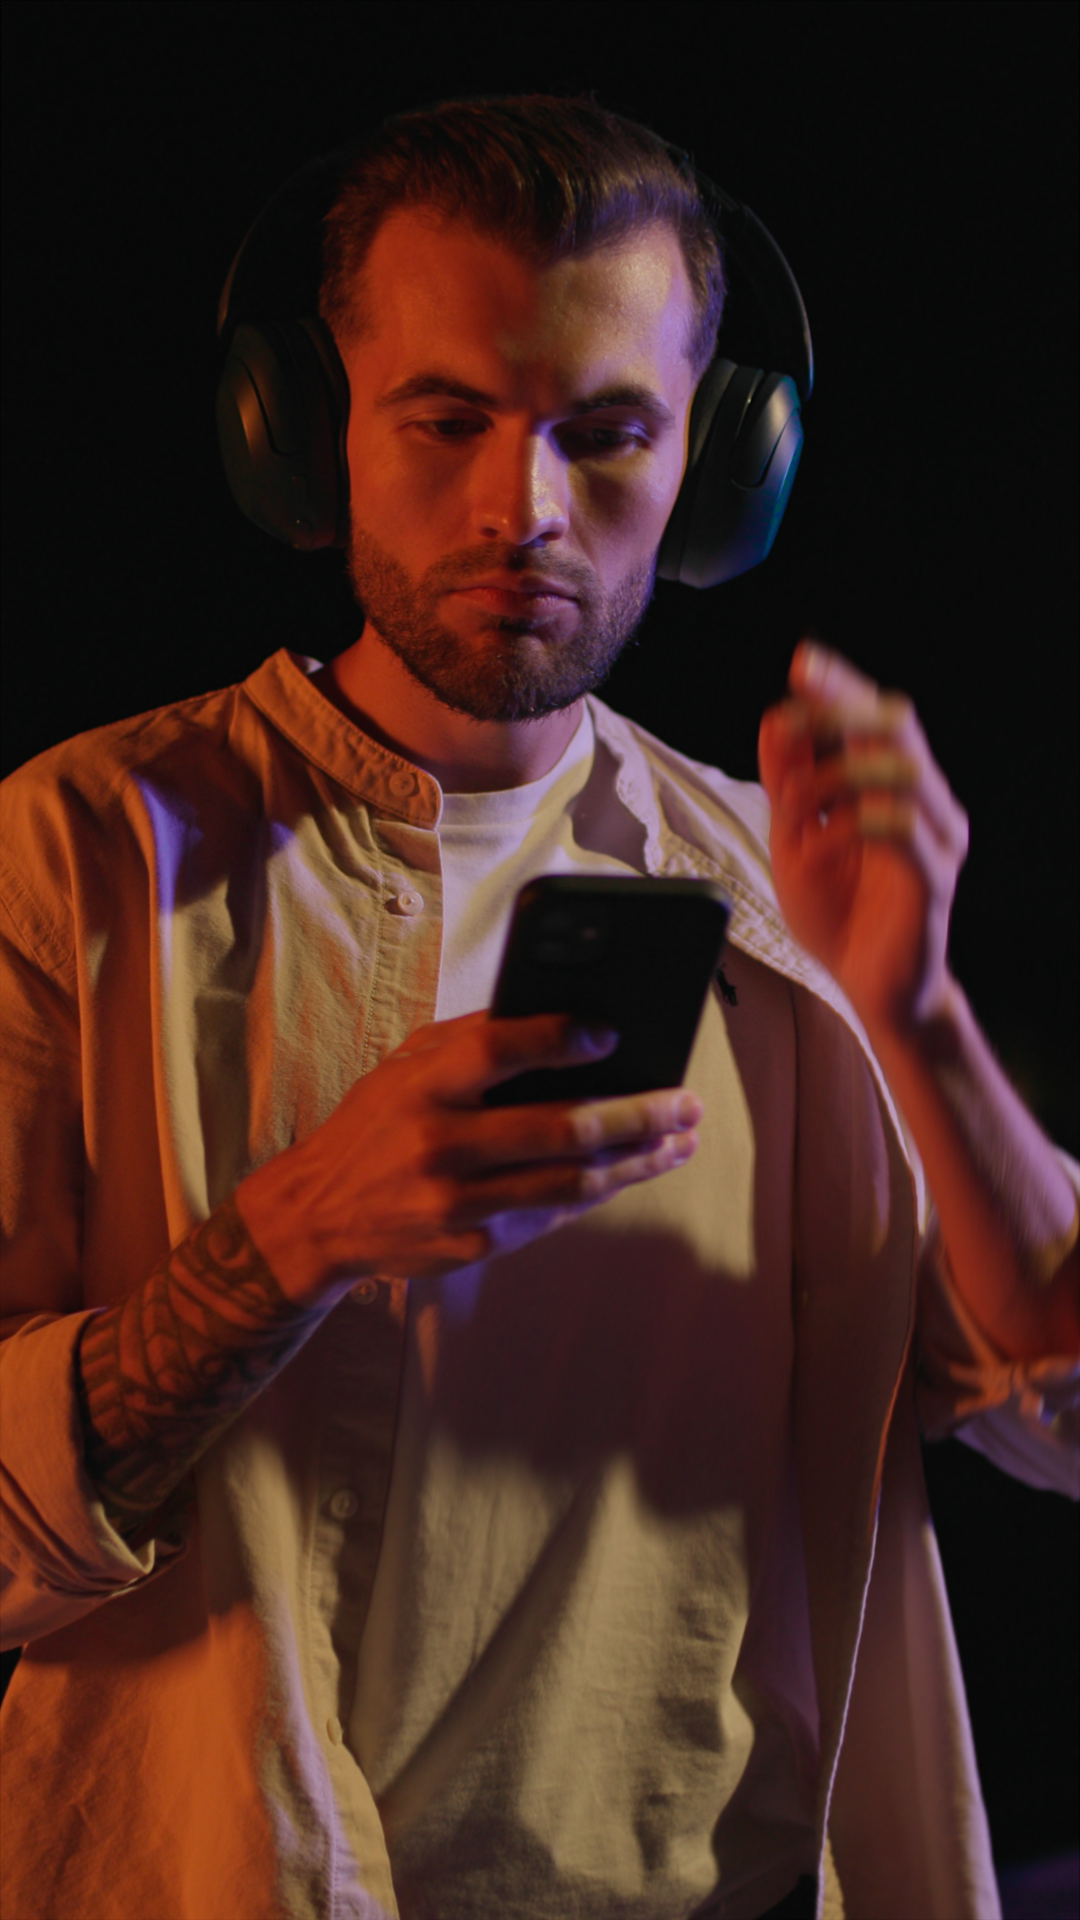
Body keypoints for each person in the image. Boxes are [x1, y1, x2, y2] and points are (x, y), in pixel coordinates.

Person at [0, 93, 1076, 1920]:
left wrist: (919, 1015)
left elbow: (1060, 1412)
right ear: (305, 430)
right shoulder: (75, 851)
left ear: (719, 461)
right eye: (448, 421)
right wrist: (285, 1244)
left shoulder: (785, 882)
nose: (526, 509)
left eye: (607, 432)